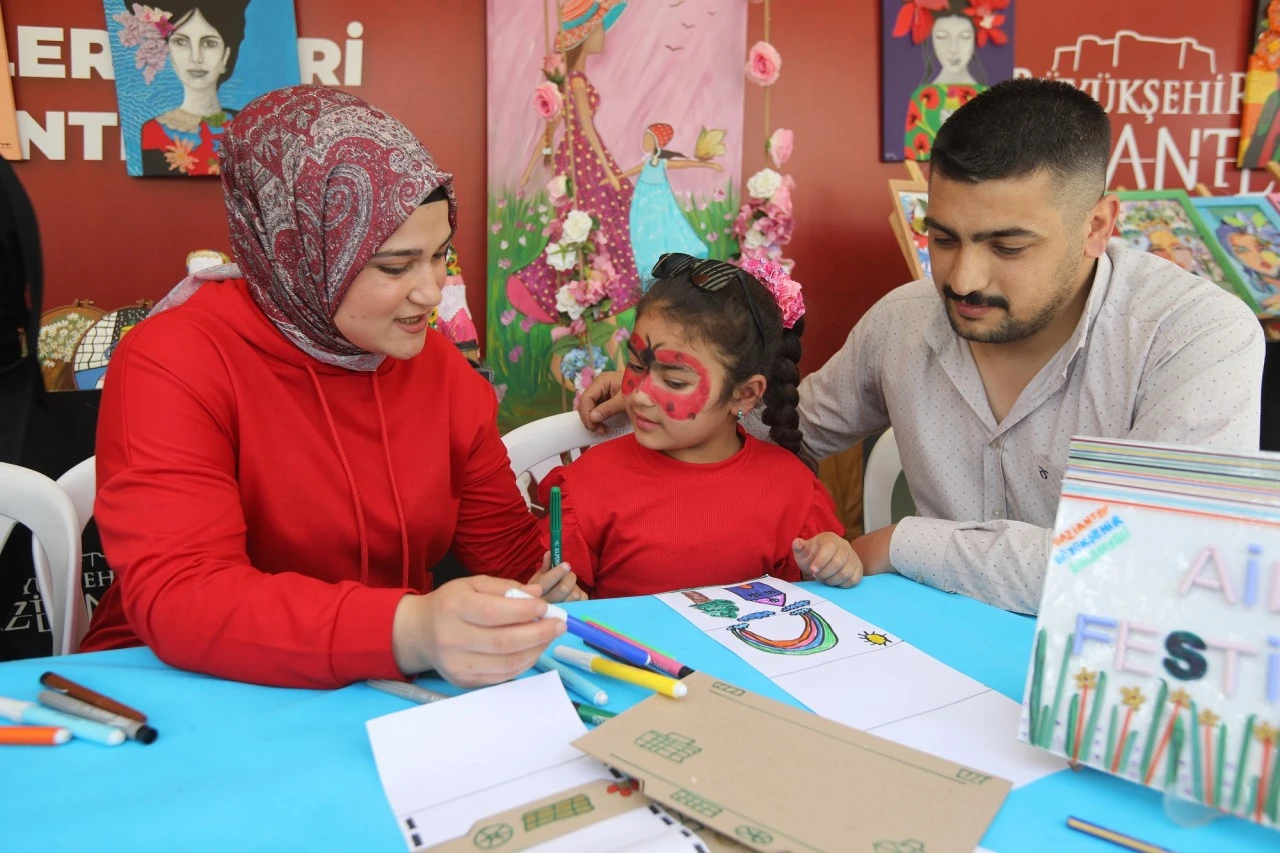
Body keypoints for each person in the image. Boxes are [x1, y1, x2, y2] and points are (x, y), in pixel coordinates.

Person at [580, 79, 1266, 615]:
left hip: (1105, 671)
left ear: (1097, 225)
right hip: (928, 652)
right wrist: (665, 387)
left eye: (1007, 246)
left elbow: (1153, 566)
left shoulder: (1196, 338)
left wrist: (900, 543)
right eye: (943, 238)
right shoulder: (905, 321)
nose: (963, 279)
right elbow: (785, 427)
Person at [79, 85, 582, 689]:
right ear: (301, 250)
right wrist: (411, 628)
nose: (431, 292)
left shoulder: (439, 369)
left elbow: (511, 556)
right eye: (395, 266)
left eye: (440, 257)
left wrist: (543, 586)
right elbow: (184, 597)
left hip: (378, 685)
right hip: (173, 687)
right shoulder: (175, 359)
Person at [540, 254, 859, 598]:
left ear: (744, 395)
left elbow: (815, 601)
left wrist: (834, 560)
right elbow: (556, 597)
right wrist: (554, 596)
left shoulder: (791, 489)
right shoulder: (589, 484)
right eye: (636, 365)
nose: (641, 395)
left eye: (674, 382)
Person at [507, 0, 640, 324]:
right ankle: (591, 288)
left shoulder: (569, 80)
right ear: (584, 33)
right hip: (584, 159)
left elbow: (554, 128)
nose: (603, 34)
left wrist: (532, 166)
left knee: (593, 220)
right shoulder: (576, 80)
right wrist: (609, 170)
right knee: (594, 219)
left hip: (577, 156)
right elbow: (582, 128)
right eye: (598, 27)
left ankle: (597, 289)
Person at [132, 1, 249, 177]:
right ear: (168, 51)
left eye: (209, 43)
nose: (195, 58)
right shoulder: (153, 132)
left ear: (226, 55)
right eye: (181, 42)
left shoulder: (247, 128)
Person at [618, 123, 722, 287]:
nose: (644, 141)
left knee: (665, 231)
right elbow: (631, 171)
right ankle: (647, 271)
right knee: (643, 234)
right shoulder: (647, 162)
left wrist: (709, 165)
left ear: (657, 142)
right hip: (643, 201)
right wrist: (614, 177)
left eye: (648, 138)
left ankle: (667, 268)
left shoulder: (661, 162)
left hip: (660, 201)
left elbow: (686, 164)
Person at [904, 2, 987, 161]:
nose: (953, 49)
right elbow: (915, 155)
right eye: (942, 37)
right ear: (931, 39)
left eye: (964, 37)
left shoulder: (988, 96)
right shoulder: (922, 97)